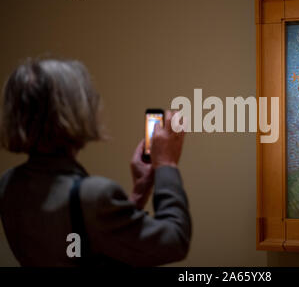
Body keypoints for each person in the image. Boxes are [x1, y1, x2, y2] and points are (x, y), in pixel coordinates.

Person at [0, 58, 191, 266]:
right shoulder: (92, 195)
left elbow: (80, 248)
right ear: (75, 111)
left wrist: (138, 193)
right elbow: (175, 241)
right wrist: (166, 164)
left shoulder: (8, 185)